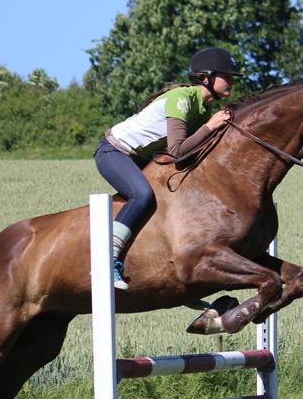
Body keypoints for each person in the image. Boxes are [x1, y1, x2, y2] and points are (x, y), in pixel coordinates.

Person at [94, 46, 241, 289]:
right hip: (113, 152)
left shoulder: (202, 108)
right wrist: (211, 127)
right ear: (206, 77)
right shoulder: (182, 99)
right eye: (227, 76)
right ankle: (107, 261)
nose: (231, 82)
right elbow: (177, 151)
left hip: (137, 158)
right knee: (141, 195)